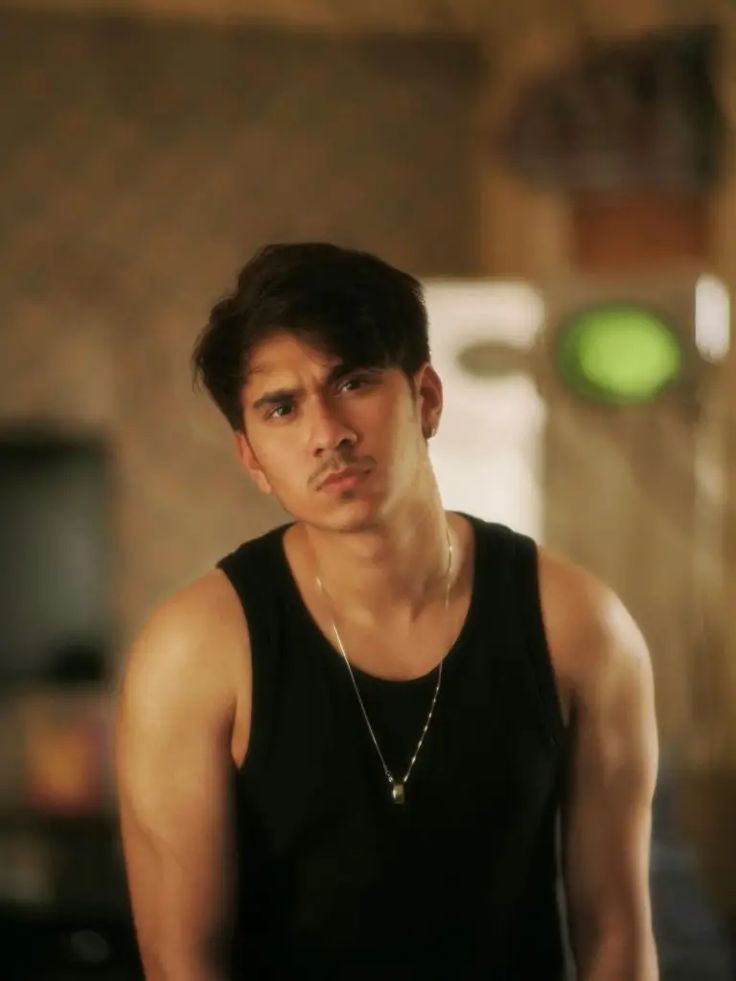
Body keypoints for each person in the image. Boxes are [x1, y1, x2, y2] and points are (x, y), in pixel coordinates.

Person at [114, 242, 660, 980]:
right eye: (282, 406)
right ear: (251, 458)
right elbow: (182, 960)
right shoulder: (197, 649)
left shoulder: (578, 623)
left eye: (354, 381)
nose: (327, 431)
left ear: (426, 397)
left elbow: (615, 934)